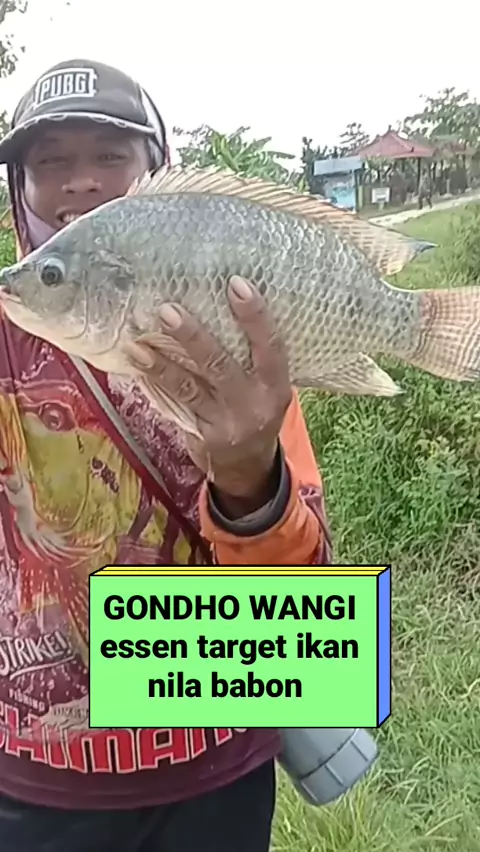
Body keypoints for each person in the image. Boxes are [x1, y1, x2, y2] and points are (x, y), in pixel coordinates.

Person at [0, 58, 331, 852]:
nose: (81, 180)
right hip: (37, 778)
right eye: (50, 161)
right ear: (19, 189)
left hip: (215, 758)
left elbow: (303, 582)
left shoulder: (231, 334)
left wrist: (248, 481)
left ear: (160, 172)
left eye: (111, 155)